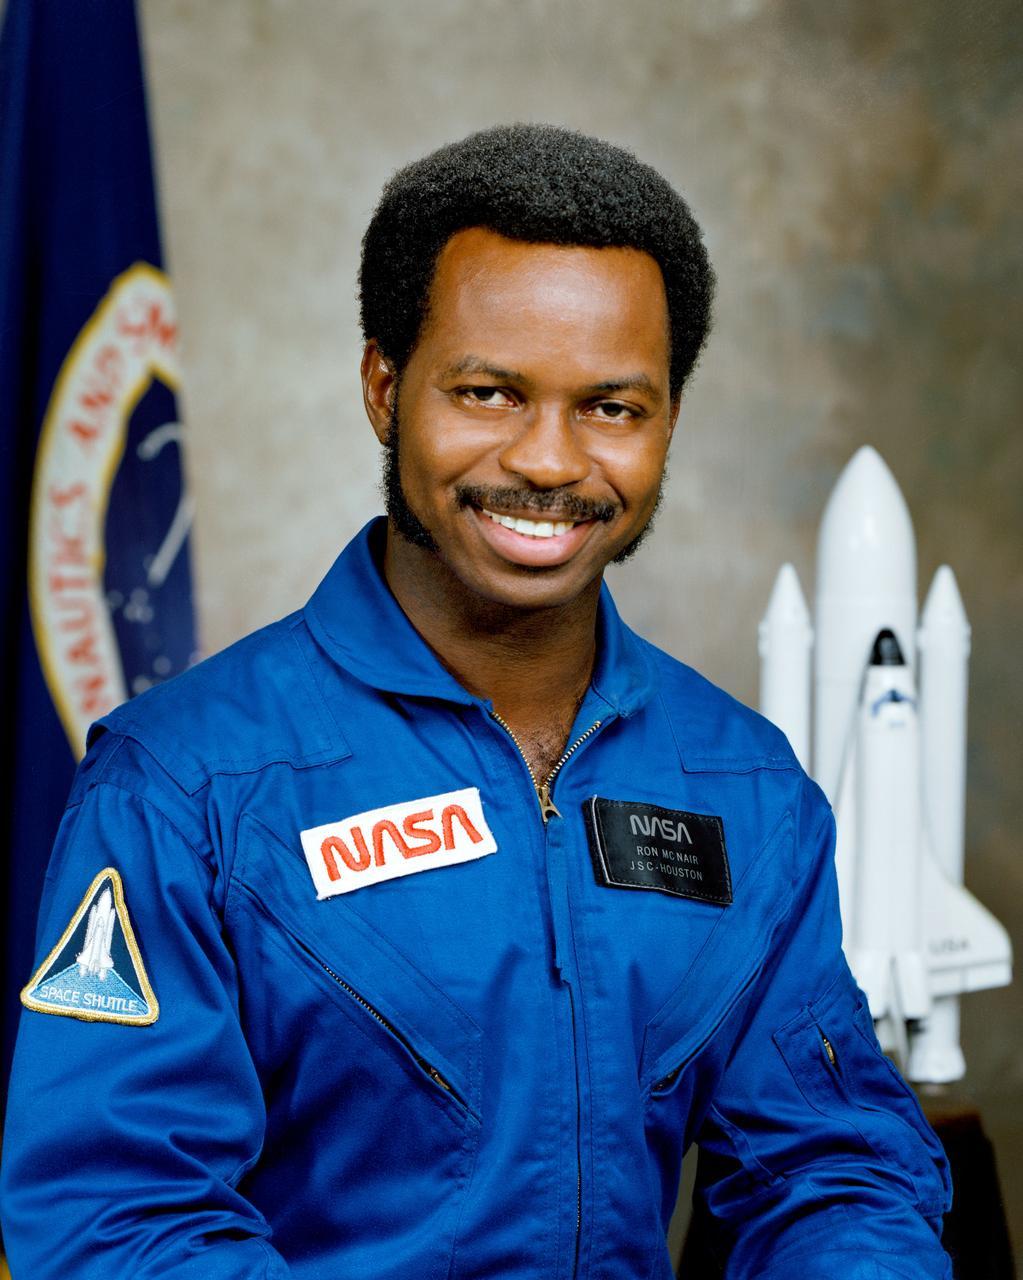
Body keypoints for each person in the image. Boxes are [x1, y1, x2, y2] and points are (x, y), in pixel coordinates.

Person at [0, 123, 951, 1279]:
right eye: (491, 391)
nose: (550, 460)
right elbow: (118, 1220)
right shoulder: (186, 787)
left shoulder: (744, 789)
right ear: (384, 386)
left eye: (613, 406)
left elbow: (830, 1165)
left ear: (667, 422)